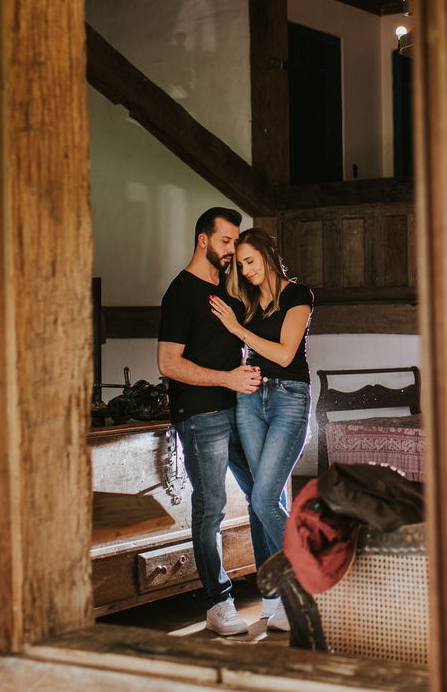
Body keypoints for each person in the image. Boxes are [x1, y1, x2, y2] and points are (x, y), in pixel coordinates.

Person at [157, 207, 270, 636]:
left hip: (242, 408)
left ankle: (275, 593)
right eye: (225, 241)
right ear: (203, 239)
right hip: (201, 414)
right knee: (211, 509)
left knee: (265, 495)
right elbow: (168, 363)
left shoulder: (229, 287)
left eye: (235, 242)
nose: (231, 250)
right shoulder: (180, 293)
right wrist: (227, 378)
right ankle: (217, 604)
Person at [210, 228, 313, 632]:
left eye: (251, 261)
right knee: (260, 500)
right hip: (250, 400)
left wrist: (239, 330)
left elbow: (285, 354)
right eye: (241, 265)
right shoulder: (248, 301)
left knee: (265, 497)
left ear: (270, 253)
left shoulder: (298, 295)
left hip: (289, 399)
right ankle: (274, 598)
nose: (247, 271)